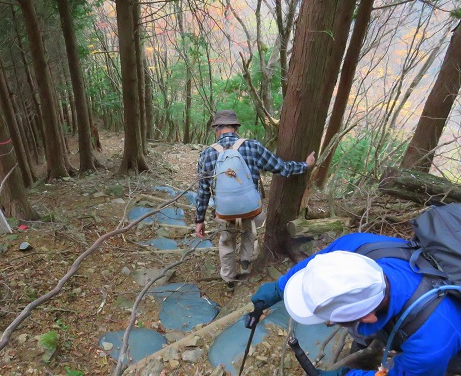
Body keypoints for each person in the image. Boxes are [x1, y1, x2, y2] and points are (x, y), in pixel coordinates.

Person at [248, 232, 461, 376]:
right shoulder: (357, 247)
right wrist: (279, 288)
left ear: (367, 318)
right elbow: (315, 267)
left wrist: (347, 374)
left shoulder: (430, 346)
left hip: (445, 346)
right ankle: (363, 354)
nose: (328, 323)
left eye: (331, 321)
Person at [194, 109, 315, 289]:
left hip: (224, 212)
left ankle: (228, 279)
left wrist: (199, 219)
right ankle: (245, 268)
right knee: (249, 232)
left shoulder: (207, 155)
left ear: (217, 129)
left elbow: (203, 191)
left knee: (227, 240)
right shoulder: (252, 147)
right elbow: (281, 167)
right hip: (251, 210)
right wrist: (305, 165)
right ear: (236, 128)